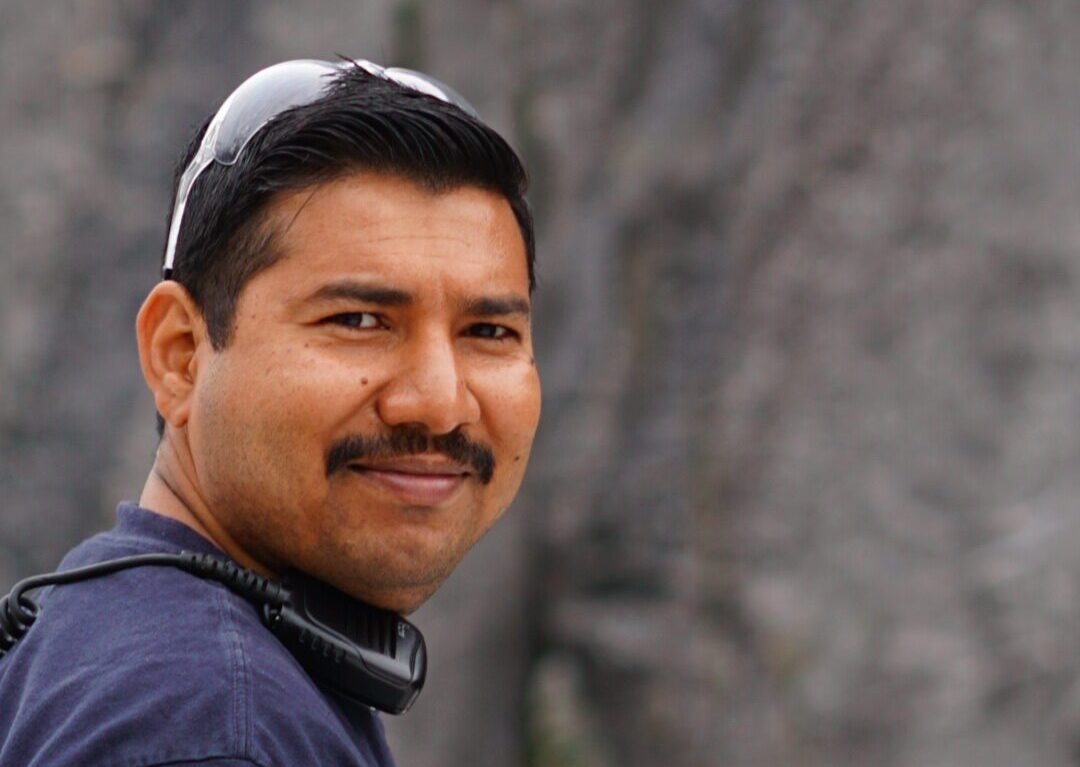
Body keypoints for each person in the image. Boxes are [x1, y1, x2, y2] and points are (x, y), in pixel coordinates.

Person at [0, 59, 540, 766]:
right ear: (181, 354)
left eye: (488, 332)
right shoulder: (213, 729)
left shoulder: (108, 648)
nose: (439, 403)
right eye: (360, 319)